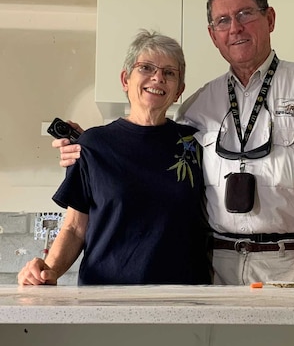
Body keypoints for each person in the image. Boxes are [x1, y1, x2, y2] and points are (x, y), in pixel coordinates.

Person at [56, 0, 294, 288]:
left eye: (245, 14)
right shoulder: (199, 104)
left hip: (288, 264)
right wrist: (89, 146)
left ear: (269, 19)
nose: (235, 28)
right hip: (215, 267)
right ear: (213, 35)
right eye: (223, 21)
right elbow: (146, 143)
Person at [18, 30, 211, 286]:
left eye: (169, 73)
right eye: (146, 68)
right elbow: (75, 228)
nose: (158, 77)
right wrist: (48, 271)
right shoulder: (93, 145)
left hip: (183, 296)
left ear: (179, 91)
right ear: (125, 79)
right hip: (107, 295)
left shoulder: (196, 144)